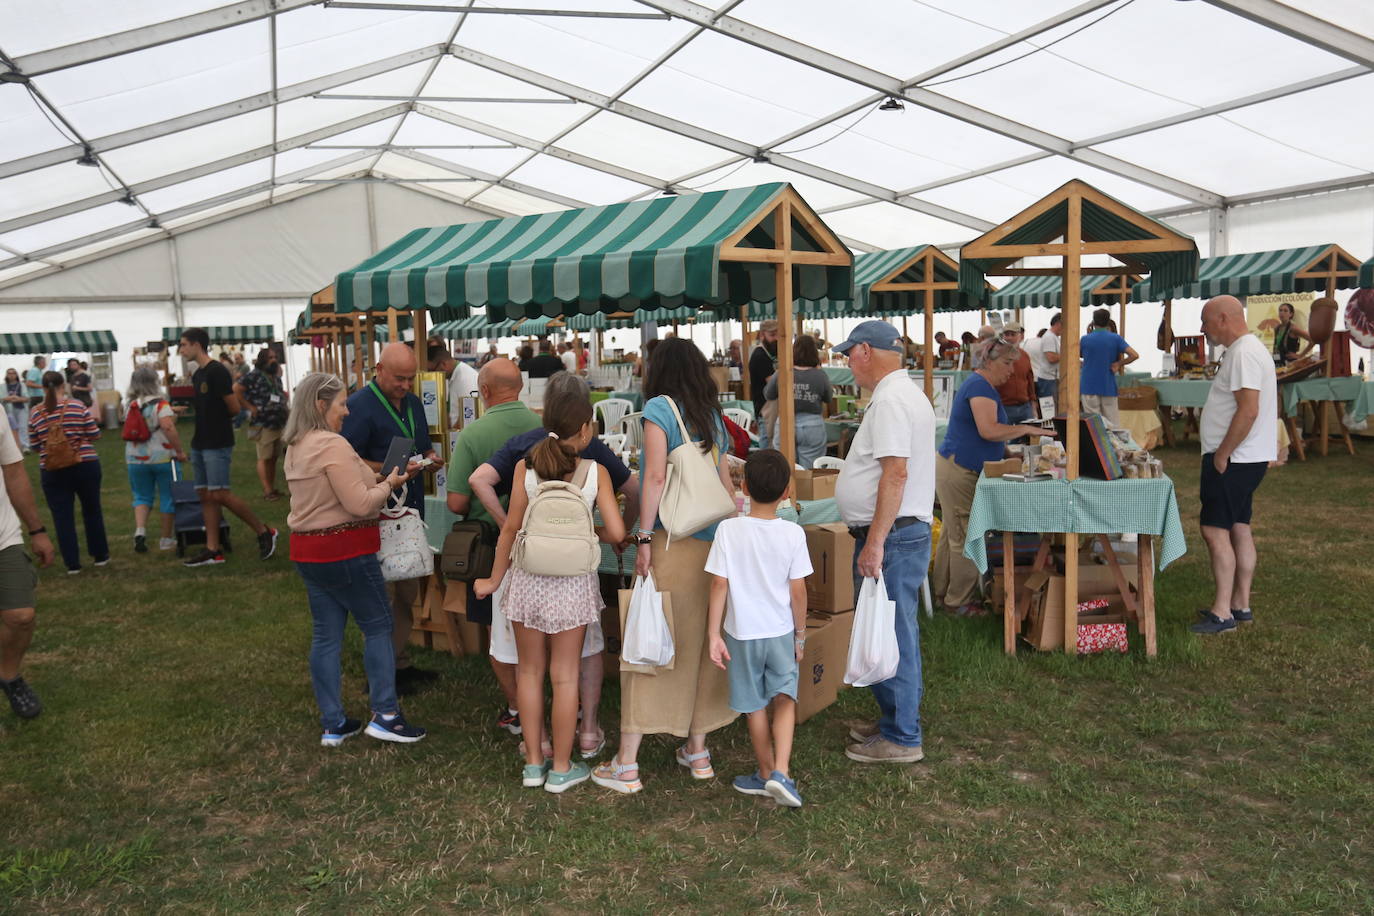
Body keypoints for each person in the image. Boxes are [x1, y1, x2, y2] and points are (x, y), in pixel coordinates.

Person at [468, 371, 640, 758]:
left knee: (529, 673)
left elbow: (510, 529)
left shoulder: (523, 467)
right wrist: (587, 531)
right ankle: (563, 766)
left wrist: (494, 580)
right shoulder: (595, 470)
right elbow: (615, 531)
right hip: (573, 586)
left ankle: (534, 759)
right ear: (585, 429)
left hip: (527, 579)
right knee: (564, 679)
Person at [592, 337, 736, 794]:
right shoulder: (711, 414)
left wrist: (643, 538)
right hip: (714, 543)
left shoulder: (658, 410)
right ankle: (697, 750)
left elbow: (653, 477)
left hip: (673, 540)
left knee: (648, 642)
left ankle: (627, 763)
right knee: (701, 646)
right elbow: (726, 479)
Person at [284, 372, 426, 746]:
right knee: (378, 625)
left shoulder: (297, 445)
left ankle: (333, 722)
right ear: (320, 405)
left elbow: (356, 479)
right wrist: (392, 484)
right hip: (346, 549)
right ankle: (387, 714)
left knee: (326, 635)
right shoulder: (332, 445)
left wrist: (388, 474)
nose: (347, 412)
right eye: (341, 404)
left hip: (308, 551)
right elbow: (361, 502)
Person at [827, 321, 936, 764]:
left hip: (892, 535)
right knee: (891, 627)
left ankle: (903, 735)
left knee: (894, 632)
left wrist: (875, 542)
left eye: (849, 354)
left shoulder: (891, 399)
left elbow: (896, 473)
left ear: (866, 351)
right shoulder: (901, 395)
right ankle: (894, 720)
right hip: (896, 531)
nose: (847, 363)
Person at [705, 449, 810, 806]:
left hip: (741, 634)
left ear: (744, 488)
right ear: (786, 492)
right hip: (781, 632)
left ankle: (765, 772)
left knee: (754, 707)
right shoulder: (793, 534)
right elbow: (799, 591)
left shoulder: (728, 530)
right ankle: (781, 771)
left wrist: (713, 634)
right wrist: (800, 634)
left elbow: (719, 585)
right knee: (785, 697)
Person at [341, 341, 444, 692]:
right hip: (377, 516)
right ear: (379, 370)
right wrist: (390, 470)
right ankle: (382, 674)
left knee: (407, 591)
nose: (405, 385)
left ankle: (399, 662)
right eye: (398, 378)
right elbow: (346, 460)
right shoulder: (357, 407)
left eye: (410, 379)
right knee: (382, 598)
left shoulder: (413, 402)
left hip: (409, 514)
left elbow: (422, 442)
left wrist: (430, 455)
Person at [446, 358, 539, 729]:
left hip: (489, 546)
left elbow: (455, 502)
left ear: (483, 392)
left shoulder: (472, 434)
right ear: (521, 388)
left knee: (497, 632)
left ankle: (517, 707)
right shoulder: (543, 426)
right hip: (541, 541)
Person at [933, 337, 1048, 617]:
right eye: (1007, 363)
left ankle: (943, 594)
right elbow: (988, 429)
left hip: (956, 467)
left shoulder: (982, 386)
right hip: (960, 470)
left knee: (954, 533)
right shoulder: (980, 387)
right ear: (989, 361)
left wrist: (1008, 451)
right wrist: (1024, 430)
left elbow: (985, 432)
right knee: (966, 537)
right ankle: (958, 602)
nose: (1011, 370)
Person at [1191, 295, 1277, 636]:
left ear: (1223, 318)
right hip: (1246, 456)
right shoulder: (1250, 350)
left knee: (1214, 529)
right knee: (1239, 526)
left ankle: (1222, 612)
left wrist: (1223, 453)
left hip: (1235, 458)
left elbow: (1249, 409)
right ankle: (1240, 604)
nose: (1203, 329)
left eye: (1206, 321)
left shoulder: (1243, 352)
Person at [177, 328, 277, 567]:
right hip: (200, 442)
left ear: (196, 345)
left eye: (183, 345)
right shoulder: (198, 373)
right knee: (205, 494)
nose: (180, 350)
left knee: (220, 493)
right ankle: (213, 549)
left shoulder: (217, 371)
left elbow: (233, 408)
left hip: (217, 441)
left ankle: (264, 531)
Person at [27, 371, 109, 574]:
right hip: (84, 463)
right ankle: (100, 556)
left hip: (52, 468)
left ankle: (72, 563)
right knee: (92, 510)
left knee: (62, 516)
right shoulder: (77, 406)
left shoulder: (36, 413)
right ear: (64, 386)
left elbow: (35, 445)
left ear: (43, 388)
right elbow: (94, 434)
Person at [0, 424, 56, 719]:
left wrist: (37, 530)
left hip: (3, 536)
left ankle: (9, 677)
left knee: (21, 615)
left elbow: (14, 472)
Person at [124, 367, 187, 554]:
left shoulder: (129, 405)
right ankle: (166, 538)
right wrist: (179, 451)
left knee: (142, 496)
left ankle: (140, 531)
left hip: (135, 458)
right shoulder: (161, 405)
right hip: (162, 457)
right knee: (168, 496)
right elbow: (167, 427)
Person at [764, 334, 832, 469]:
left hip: (785, 422)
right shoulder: (820, 375)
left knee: (783, 469)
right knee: (810, 471)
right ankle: (806, 491)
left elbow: (768, 394)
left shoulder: (782, 372)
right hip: (812, 425)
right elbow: (828, 398)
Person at [234, 349, 289, 500]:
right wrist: (250, 407)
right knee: (264, 457)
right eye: (270, 358)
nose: (274, 360)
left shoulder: (274, 375)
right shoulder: (253, 376)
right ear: (262, 360)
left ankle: (272, 488)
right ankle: (267, 491)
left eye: (275, 357)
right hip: (263, 422)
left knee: (273, 457)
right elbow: (236, 389)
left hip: (278, 421)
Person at [1080, 307, 1138, 426]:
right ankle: (1113, 444)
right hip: (1108, 384)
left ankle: (1095, 444)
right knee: (1112, 422)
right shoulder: (1115, 338)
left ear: (1093, 322)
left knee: (1093, 423)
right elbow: (1134, 355)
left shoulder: (1085, 339)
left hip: (1088, 385)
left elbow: (1073, 356)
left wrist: (1083, 363)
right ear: (1108, 322)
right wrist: (1118, 363)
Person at [993, 322, 1037, 440]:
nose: (1009, 337)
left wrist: (1033, 402)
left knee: (1028, 441)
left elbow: (1030, 379)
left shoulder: (1025, 356)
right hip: (1004, 407)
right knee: (1005, 442)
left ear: (1020, 336)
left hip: (1025, 407)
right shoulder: (996, 356)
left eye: (1013, 334)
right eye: (1006, 334)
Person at [425, 340, 479, 430]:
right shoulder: (453, 376)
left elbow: (468, 415)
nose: (431, 375)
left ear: (443, 364)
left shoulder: (465, 379)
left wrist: (451, 437)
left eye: (432, 370)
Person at [749, 319, 780, 450]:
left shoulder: (771, 354)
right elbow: (774, 384)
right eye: (772, 335)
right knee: (768, 449)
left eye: (778, 335)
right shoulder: (760, 356)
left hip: (771, 410)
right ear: (762, 335)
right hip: (765, 410)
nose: (776, 339)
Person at [1024, 313, 1062, 407]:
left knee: (1052, 406)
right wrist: (1067, 355)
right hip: (1048, 379)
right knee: (1049, 408)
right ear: (1058, 324)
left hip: (1050, 378)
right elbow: (1051, 358)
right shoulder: (1049, 337)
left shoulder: (1054, 337)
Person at [4, 369, 28, 451]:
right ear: (6, 375)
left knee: (23, 427)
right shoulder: (3, 386)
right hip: (8, 410)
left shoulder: (22, 385)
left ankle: (25, 446)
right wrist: (9, 398)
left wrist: (18, 399)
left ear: (16, 375)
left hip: (21, 408)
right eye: (9, 373)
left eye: (13, 373)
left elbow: (27, 398)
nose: (11, 375)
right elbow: (1, 399)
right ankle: (16, 447)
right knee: (12, 429)